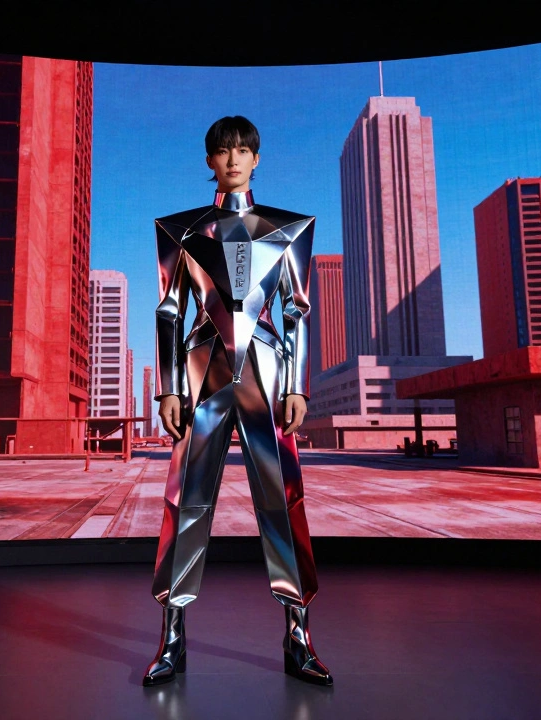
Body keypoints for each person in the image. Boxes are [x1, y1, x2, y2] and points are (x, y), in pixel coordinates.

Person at [142, 115, 332, 686]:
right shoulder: (179, 229)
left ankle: (299, 639)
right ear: (210, 162)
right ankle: (170, 640)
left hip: (269, 379)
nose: (232, 159)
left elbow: (295, 311)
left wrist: (297, 384)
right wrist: (168, 389)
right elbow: (170, 312)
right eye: (222, 151)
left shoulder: (290, 228)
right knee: (186, 503)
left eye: (242, 150)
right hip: (202, 378)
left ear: (256, 159)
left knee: (283, 503)